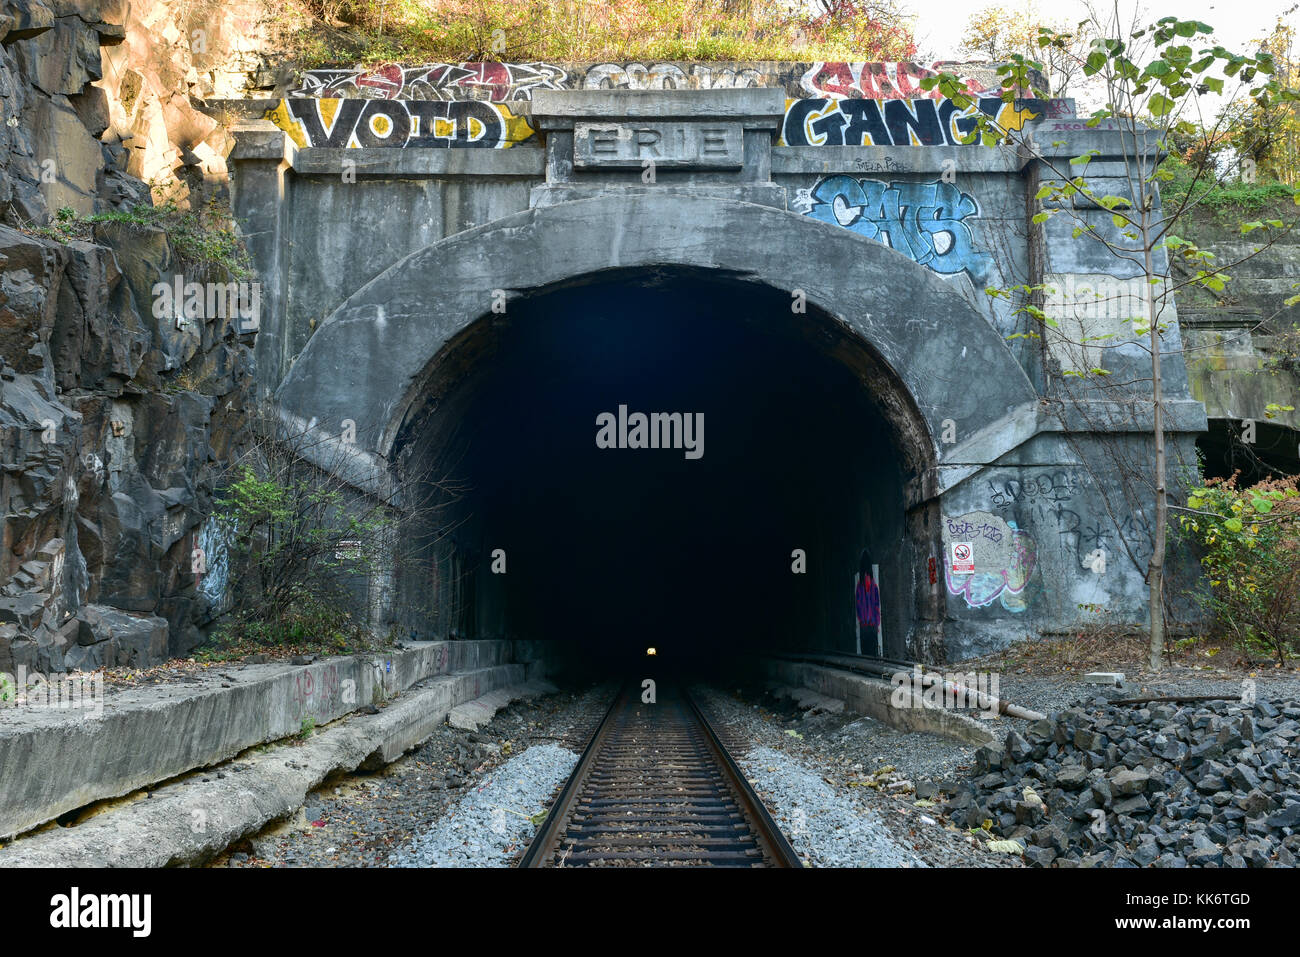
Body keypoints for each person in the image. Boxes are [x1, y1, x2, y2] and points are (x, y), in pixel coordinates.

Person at [855, 550, 880, 656]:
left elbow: (858, 607)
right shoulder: (873, 584)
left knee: (866, 653)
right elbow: (876, 604)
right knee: (873, 652)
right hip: (872, 624)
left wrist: (862, 620)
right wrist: (877, 622)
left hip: (864, 625)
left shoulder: (859, 586)